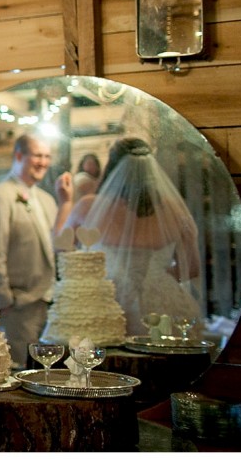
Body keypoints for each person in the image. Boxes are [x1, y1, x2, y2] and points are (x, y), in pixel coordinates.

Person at [64, 137, 202, 336]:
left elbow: (63, 251)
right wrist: (155, 277)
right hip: (162, 303)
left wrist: (64, 203)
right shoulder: (176, 210)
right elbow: (192, 268)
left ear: (111, 168)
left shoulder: (89, 207)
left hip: (104, 299)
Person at [0, 133, 73, 367]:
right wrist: (2, 299)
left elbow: (56, 245)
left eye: (47, 156)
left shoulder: (48, 200)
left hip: (47, 304)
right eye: (38, 155)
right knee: (17, 371)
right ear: (19, 155)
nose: (44, 162)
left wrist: (66, 203)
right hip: (16, 306)